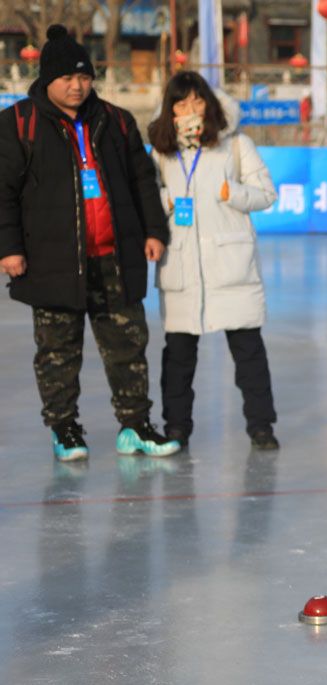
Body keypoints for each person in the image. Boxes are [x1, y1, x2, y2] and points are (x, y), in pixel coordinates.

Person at [0, 25, 180, 461]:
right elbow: (3, 190)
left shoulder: (116, 120)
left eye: (84, 77)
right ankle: (64, 428)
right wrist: (10, 247)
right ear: (47, 80)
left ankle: (135, 425)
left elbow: (142, 180)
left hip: (113, 256)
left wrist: (154, 231)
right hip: (52, 258)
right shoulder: (18, 123)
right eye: (67, 78)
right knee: (58, 351)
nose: (78, 86)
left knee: (127, 346)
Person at [146, 71, 280, 450]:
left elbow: (266, 194)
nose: (191, 110)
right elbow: (145, 201)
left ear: (210, 103)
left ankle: (261, 425)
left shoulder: (235, 145)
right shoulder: (161, 151)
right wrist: (166, 203)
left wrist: (231, 192)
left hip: (230, 264)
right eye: (181, 103)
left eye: (197, 101)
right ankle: (176, 427)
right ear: (170, 111)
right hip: (182, 265)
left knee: (248, 351)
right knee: (178, 356)